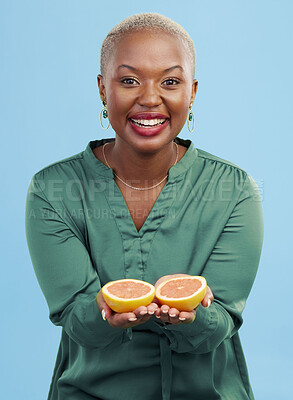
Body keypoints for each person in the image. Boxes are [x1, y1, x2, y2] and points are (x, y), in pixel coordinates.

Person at [25, 12, 263, 400]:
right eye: (129, 80)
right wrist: (103, 311)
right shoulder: (53, 190)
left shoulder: (233, 190)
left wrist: (193, 318)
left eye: (170, 81)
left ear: (192, 91)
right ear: (103, 89)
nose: (150, 98)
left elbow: (221, 321)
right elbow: (77, 320)